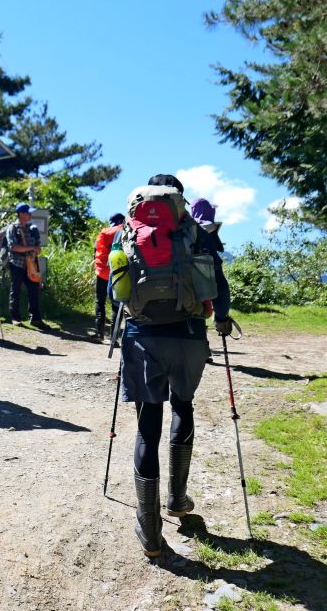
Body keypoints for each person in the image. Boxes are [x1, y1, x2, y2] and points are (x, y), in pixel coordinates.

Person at [120, 173, 234, 559]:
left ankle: (150, 531)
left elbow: (111, 289)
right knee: (182, 407)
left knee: (147, 424)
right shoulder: (196, 233)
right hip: (187, 334)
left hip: (143, 337)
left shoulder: (129, 228)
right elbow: (216, 282)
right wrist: (222, 317)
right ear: (179, 199)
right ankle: (177, 497)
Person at [189, 197, 224, 363]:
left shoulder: (185, 229)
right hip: (206, 281)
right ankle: (203, 349)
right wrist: (222, 315)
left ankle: (201, 349)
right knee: (202, 312)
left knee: (195, 313)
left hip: (184, 282)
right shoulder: (209, 231)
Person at [5, 203, 48, 328]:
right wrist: (32, 248)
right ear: (21, 214)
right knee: (15, 290)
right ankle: (15, 318)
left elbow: (38, 248)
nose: (30, 215)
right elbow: (13, 247)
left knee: (34, 289)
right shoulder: (12, 228)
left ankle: (35, 318)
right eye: (28, 212)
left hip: (32, 264)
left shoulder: (32, 229)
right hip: (16, 263)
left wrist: (36, 250)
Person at [93, 212, 125, 341]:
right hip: (118, 272)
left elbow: (95, 251)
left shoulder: (104, 232)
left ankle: (99, 333)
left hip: (102, 272)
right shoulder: (125, 231)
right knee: (117, 304)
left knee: (100, 301)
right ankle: (114, 337)